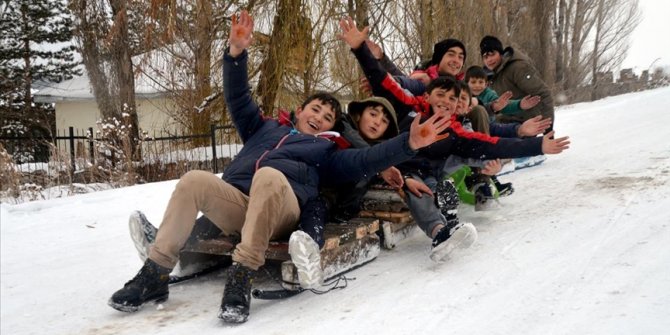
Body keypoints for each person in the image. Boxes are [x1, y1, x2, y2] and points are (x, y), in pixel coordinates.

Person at [108, 10, 453, 324]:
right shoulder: (264, 127)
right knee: (194, 180)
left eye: (329, 116)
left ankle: (241, 275)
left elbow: (366, 160)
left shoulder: (327, 150)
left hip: (281, 211)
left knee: (270, 176)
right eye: (315, 110)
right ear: (299, 112)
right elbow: (238, 97)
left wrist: (409, 142)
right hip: (241, 207)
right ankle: (156, 272)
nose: (319, 118)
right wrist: (236, 54)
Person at [338, 16, 570, 261]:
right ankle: (440, 233)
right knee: (421, 192)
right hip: (404, 169)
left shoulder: (455, 128)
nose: (446, 102)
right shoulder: (411, 105)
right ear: (427, 97)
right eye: (441, 95)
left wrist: (537, 144)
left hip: (434, 170)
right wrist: (359, 49)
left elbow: (490, 142)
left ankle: (459, 206)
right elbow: (383, 80)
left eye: (452, 99)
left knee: (463, 160)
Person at [480, 35, 555, 132]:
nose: (489, 60)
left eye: (492, 54)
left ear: (501, 53)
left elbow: (543, 93)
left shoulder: (517, 68)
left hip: (526, 122)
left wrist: (548, 128)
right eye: (485, 57)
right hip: (504, 123)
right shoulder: (487, 77)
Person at [465, 65, 541, 123]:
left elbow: (502, 105)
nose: (477, 85)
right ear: (466, 83)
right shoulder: (463, 94)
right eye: (473, 82)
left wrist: (519, 104)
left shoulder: (489, 94)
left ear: (486, 84)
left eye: (481, 82)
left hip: (488, 127)